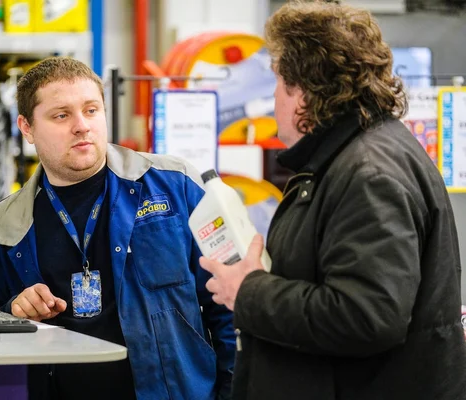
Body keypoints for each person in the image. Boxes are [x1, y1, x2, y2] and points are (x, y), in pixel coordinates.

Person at [199, 1, 466, 400]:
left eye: (277, 83)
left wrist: (250, 291)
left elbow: (367, 315)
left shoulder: (368, 174)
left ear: (304, 91)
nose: (273, 101)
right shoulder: (348, 157)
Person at [0, 56, 235, 400]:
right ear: (26, 127)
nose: (82, 126)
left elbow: (230, 306)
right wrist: (11, 312)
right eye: (61, 115)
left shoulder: (176, 187)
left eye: (91, 110)